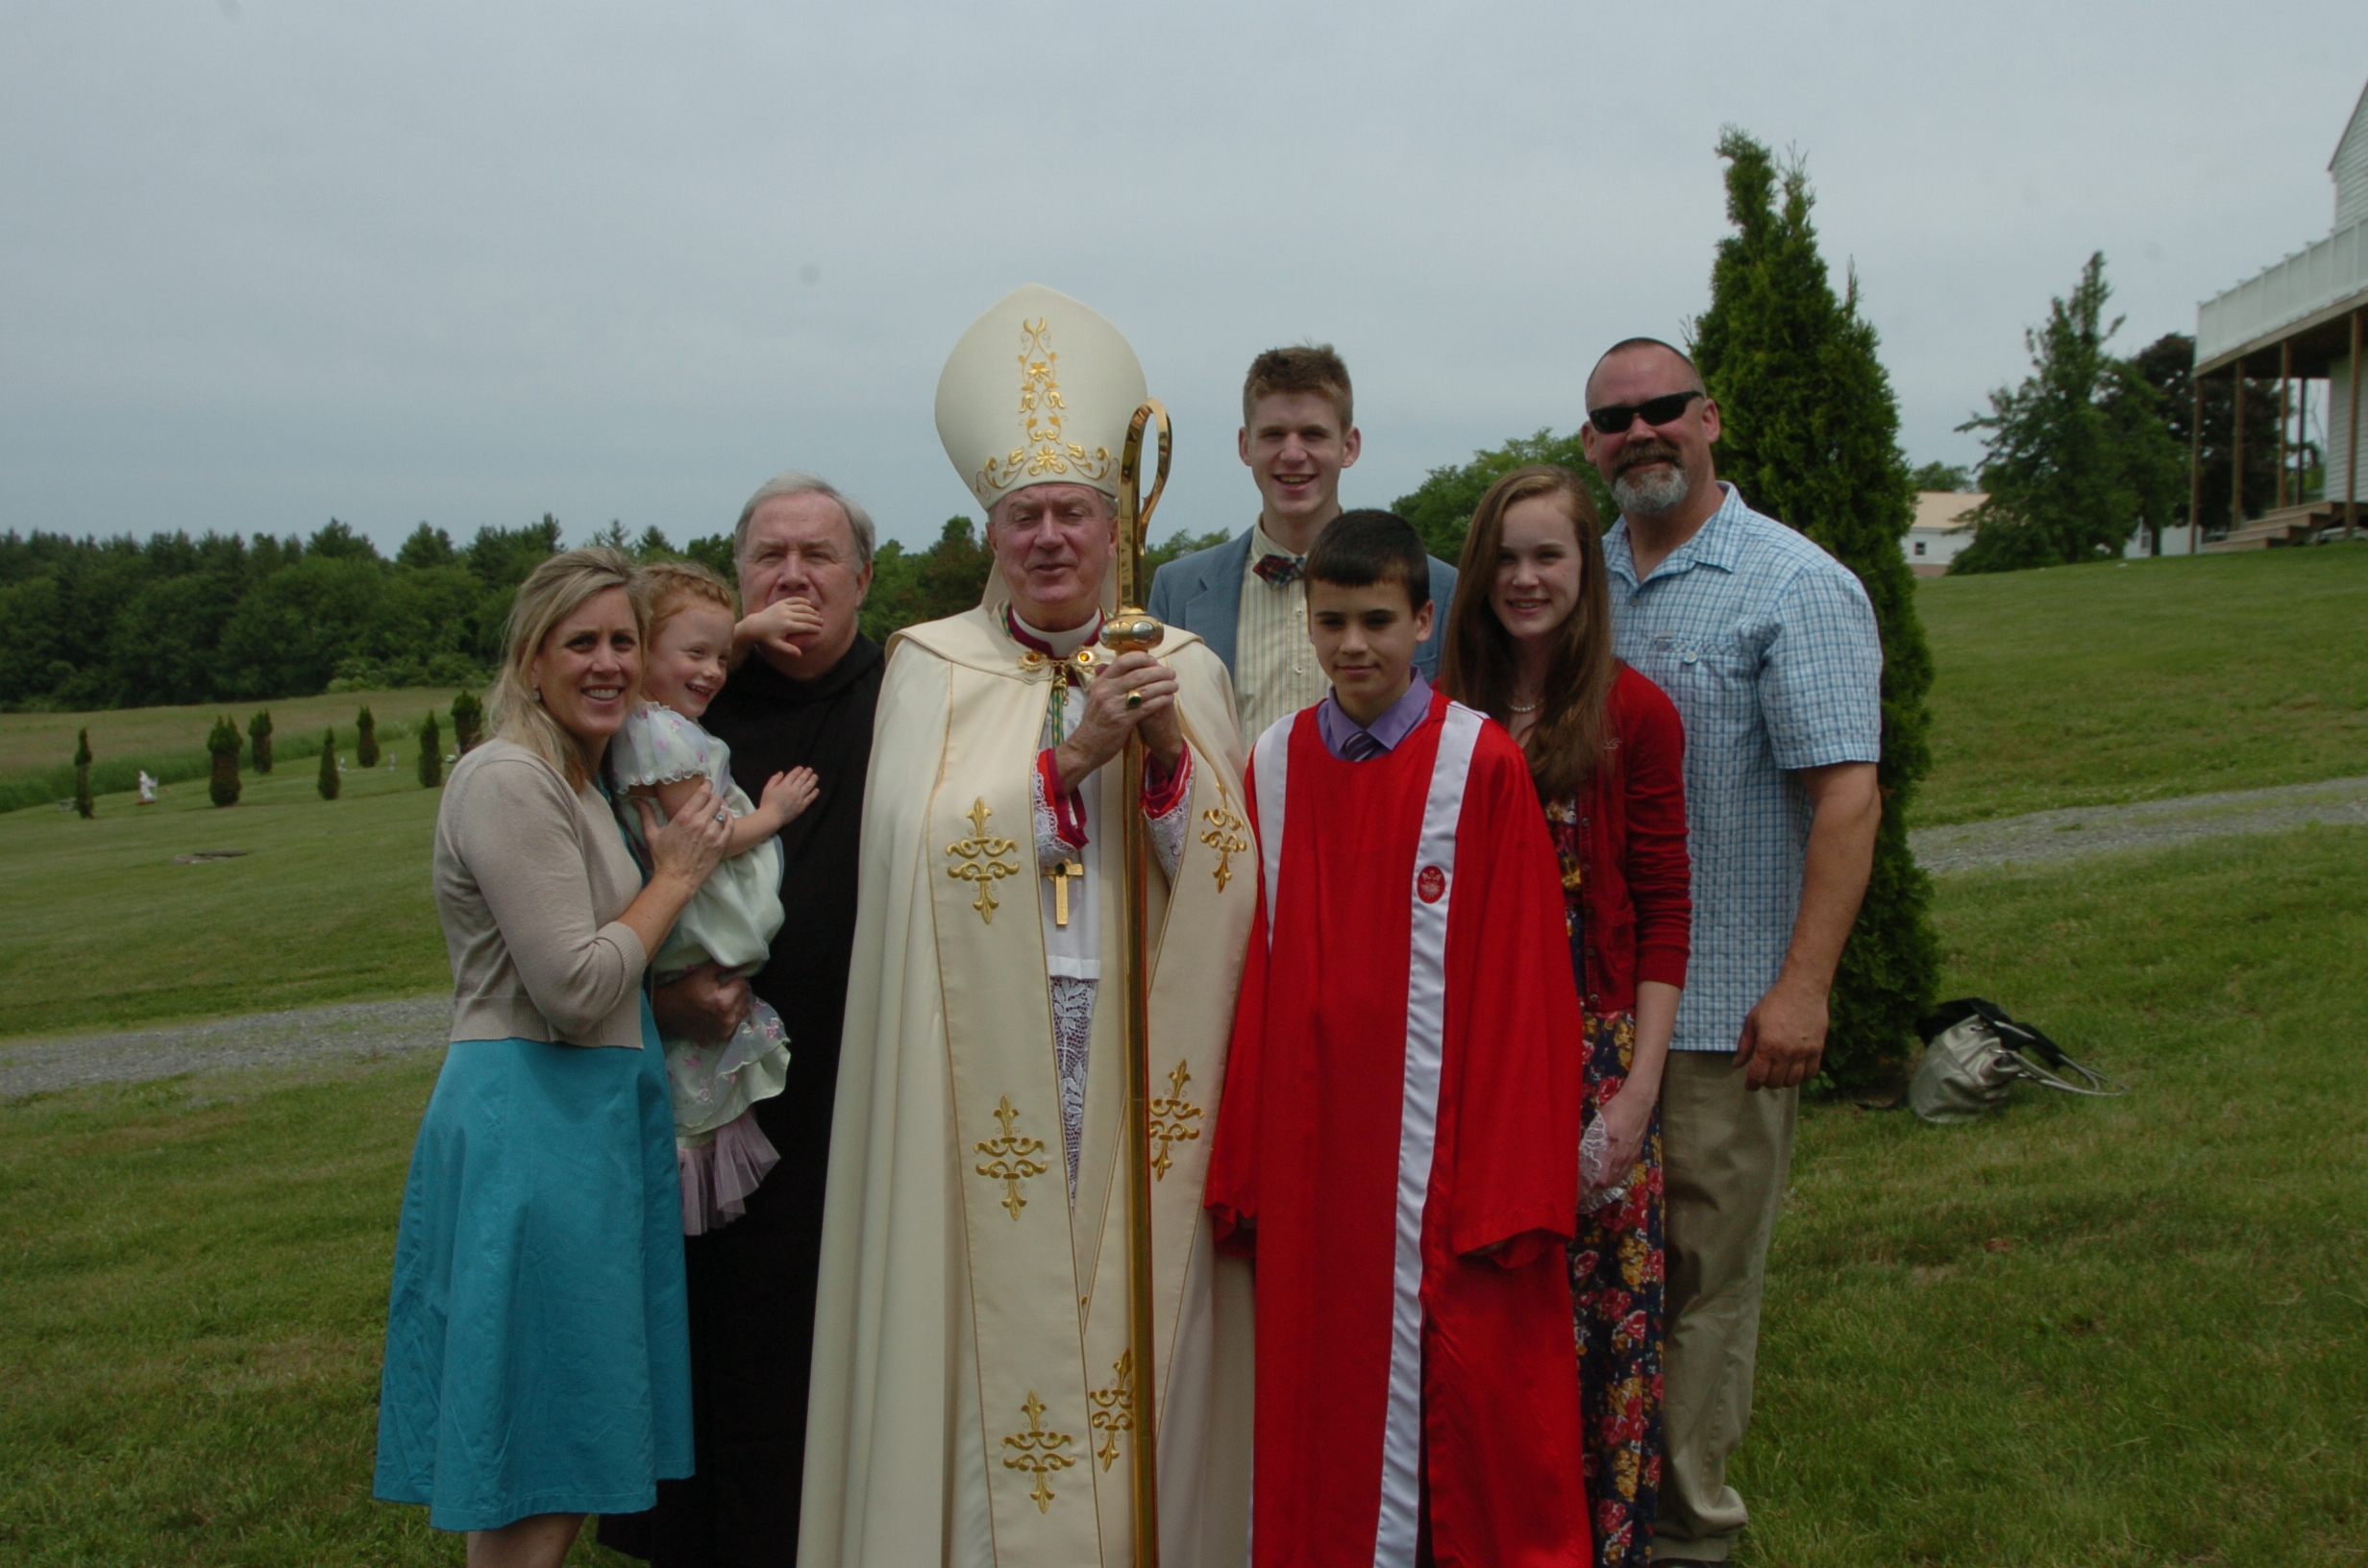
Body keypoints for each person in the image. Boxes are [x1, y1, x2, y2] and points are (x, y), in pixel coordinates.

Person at [799, 283, 1255, 1568]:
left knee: (1128, 1295)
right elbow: (914, 853)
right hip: (976, 1052)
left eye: (1073, 512)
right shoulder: (929, 668)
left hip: (1133, 1043)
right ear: (989, 531)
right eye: (1024, 517)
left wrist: (1163, 758)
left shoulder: (1187, 666)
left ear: (1115, 526)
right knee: (977, 1301)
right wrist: (1068, 765)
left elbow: (1229, 878)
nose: (1050, 538)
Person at [1205, 509, 1591, 1568]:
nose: (1352, 646)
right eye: (1330, 622)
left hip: (1442, 1149)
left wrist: (1510, 1179)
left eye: (1377, 620)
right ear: (1306, 622)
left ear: (1424, 620)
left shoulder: (1480, 764)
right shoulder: (1273, 763)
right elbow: (1252, 972)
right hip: (1316, 1149)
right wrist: (1247, 1157)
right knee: (1316, 1390)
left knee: (1473, 1410)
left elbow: (1524, 986)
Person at [1579, 338, 1883, 1564]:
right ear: (1590, 443)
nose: (1639, 432)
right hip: (1589, 1005)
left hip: (1722, 1009)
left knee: (1702, 1279)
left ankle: (1685, 1530)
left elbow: (1847, 798)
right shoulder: (1579, 576)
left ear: (1708, 418)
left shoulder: (1793, 584)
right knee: (1597, 1273)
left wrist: (1802, 987)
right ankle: (1593, 1502)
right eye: (1613, 419)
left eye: (1662, 408)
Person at [375, 548, 733, 1568]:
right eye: (582, 643)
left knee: (571, 1420)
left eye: (625, 640)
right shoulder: (507, 779)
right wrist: (675, 877)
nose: (609, 663)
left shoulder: (577, 775)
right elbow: (573, 989)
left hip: (588, 1117)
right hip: (534, 1120)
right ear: (531, 658)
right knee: (538, 1432)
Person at [599, 473, 885, 1566]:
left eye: (819, 555)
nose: (793, 577)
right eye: (770, 556)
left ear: (863, 577)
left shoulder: (912, 698)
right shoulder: (683, 708)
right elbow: (586, 891)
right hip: (709, 1080)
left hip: (864, 1079)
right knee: (719, 1343)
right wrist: (657, 993)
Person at [1438, 466, 1691, 1568]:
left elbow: (1666, 908)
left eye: (1548, 555)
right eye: (1505, 557)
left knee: (1597, 1326)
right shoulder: (1440, 715)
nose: (1525, 578)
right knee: (1481, 1319)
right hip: (1465, 1058)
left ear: (1588, 569)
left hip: (1594, 1060)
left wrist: (1636, 1097)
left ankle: (1600, 1544)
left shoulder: (1634, 715)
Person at [610, 559, 819, 1235]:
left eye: (722, 656)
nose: (713, 671)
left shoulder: (657, 716)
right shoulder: (658, 731)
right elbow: (710, 836)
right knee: (696, 1084)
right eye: (695, 655)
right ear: (642, 652)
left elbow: (701, 643)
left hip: (701, 902)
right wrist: (775, 815)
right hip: (700, 910)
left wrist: (748, 630)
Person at [1148, 345, 1456, 738]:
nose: (1292, 454)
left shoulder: (1440, 587)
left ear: (1349, 446)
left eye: (1313, 434)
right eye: (1273, 435)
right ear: (1245, 446)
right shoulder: (1178, 591)